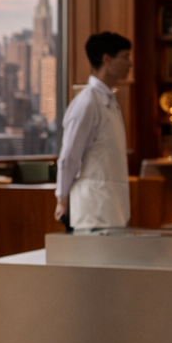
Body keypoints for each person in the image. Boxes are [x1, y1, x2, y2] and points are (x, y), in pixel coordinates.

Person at [54, 32, 133, 229]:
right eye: (125, 57)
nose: (130, 64)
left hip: (110, 208)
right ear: (107, 59)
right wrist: (62, 198)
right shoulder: (87, 102)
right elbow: (69, 156)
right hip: (92, 211)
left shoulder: (110, 102)